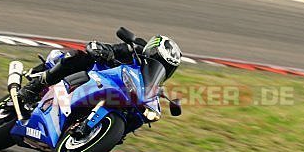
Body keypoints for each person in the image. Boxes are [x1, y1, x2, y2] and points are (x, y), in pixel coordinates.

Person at [15, 35, 181, 104]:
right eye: (159, 61)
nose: (161, 68)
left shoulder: (151, 84)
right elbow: (102, 46)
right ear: (151, 51)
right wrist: (103, 51)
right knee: (77, 57)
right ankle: (34, 87)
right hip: (96, 75)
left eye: (167, 68)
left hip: (116, 94)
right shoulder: (134, 50)